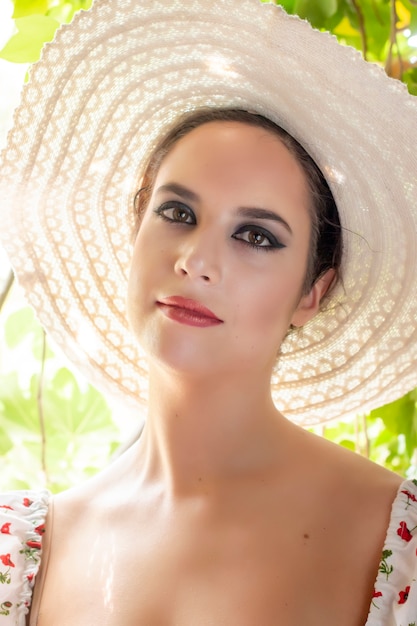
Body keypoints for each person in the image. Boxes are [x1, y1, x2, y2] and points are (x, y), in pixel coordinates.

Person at [0, 1, 416, 624]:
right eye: (177, 213)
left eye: (256, 236)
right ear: (135, 226)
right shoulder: (22, 553)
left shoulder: (400, 539)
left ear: (313, 292)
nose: (197, 261)